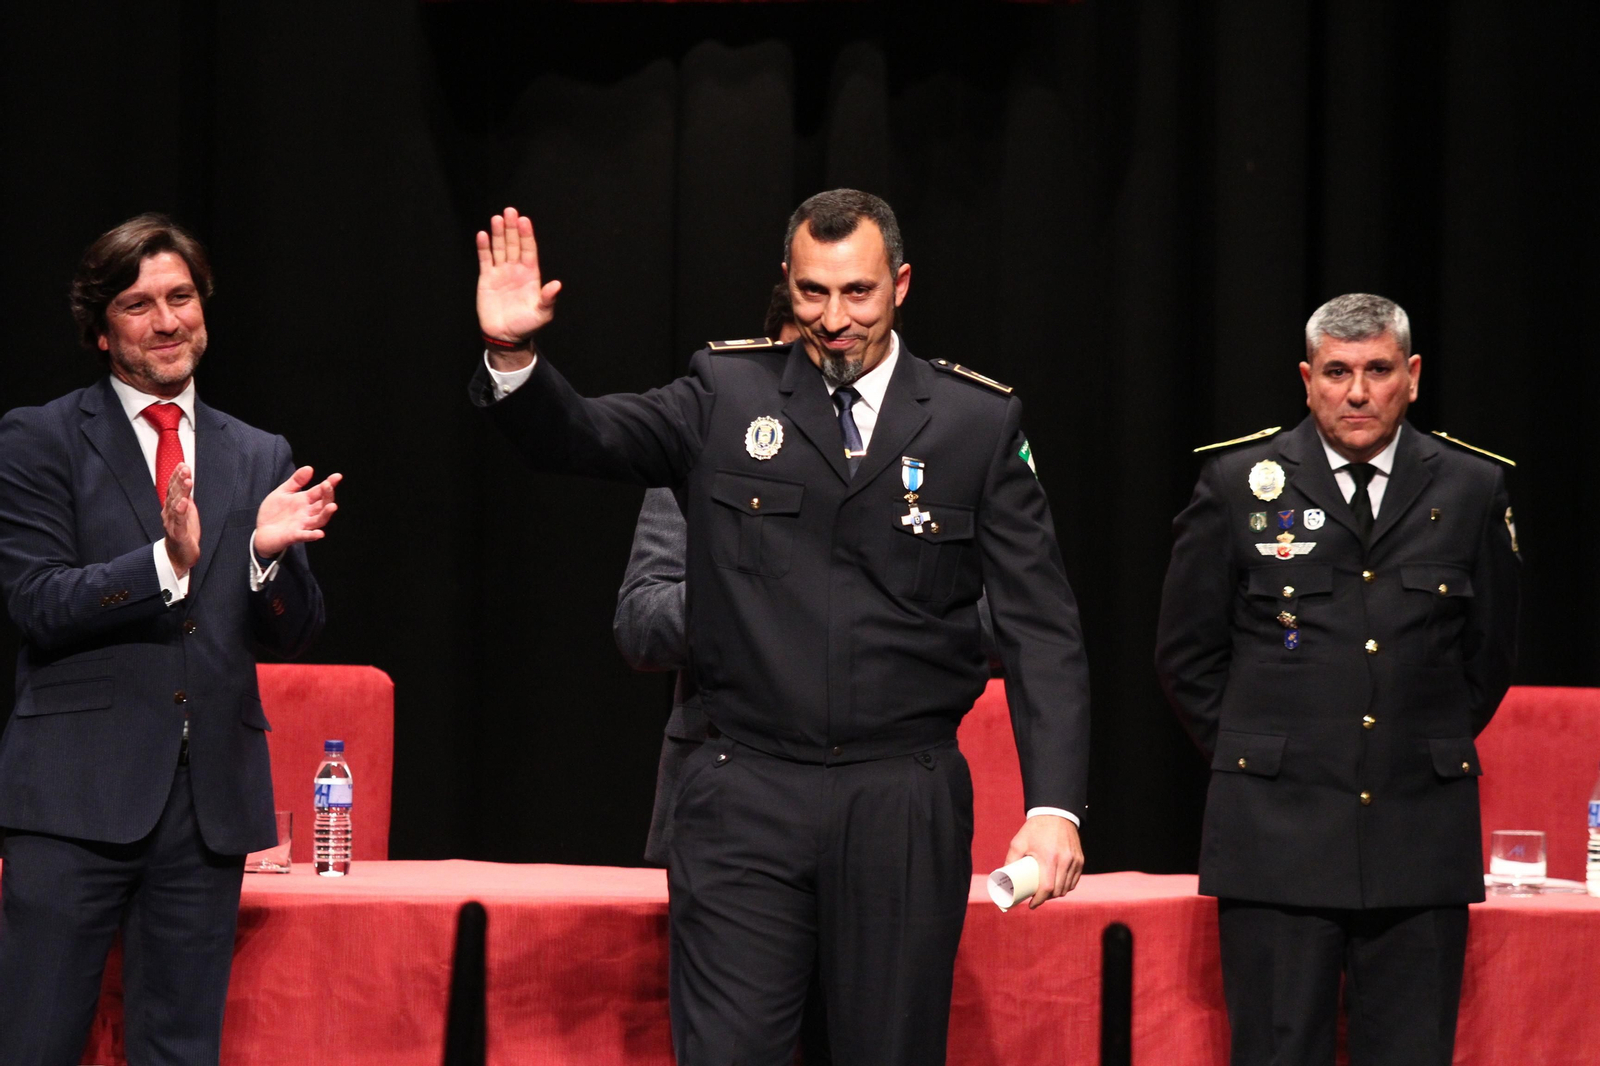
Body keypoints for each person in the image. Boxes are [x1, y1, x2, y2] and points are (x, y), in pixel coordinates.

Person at [471, 190, 1090, 1065]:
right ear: (787, 286)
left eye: (859, 294)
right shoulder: (726, 391)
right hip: (745, 791)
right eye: (812, 293)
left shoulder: (977, 423)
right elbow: (586, 436)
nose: (835, 320)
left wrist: (1054, 806)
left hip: (901, 798)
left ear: (901, 284)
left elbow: (1043, 629)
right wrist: (514, 354)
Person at [0, 214, 341, 1065]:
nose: (167, 321)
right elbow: (36, 601)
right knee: (36, 1041)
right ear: (101, 326)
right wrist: (164, 562)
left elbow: (292, 636)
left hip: (207, 806)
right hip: (74, 798)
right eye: (139, 303)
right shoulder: (39, 439)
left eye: (181, 296)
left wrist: (266, 561)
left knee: (180, 1049)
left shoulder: (259, 452)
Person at [1155, 293, 1520, 1066]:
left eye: (1379, 371)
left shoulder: (1470, 489)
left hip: (1418, 835)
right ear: (1307, 378)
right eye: (1338, 372)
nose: (1358, 392)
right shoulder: (1235, 484)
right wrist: (1269, 756)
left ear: (1412, 376)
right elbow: (1187, 656)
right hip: (1275, 838)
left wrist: (1410, 745)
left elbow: (1488, 659)